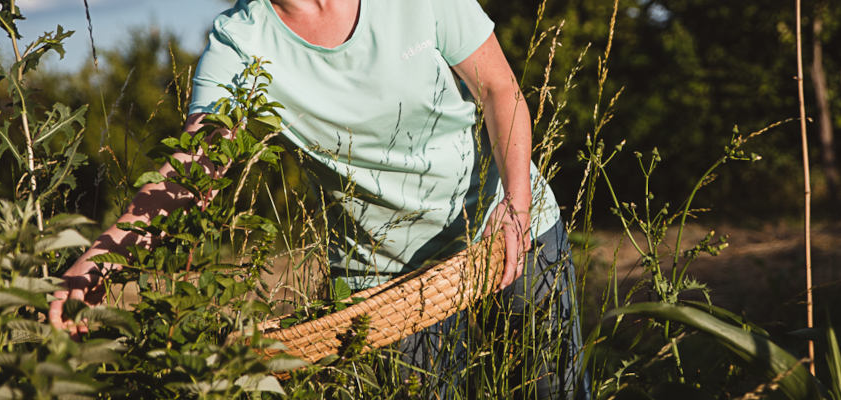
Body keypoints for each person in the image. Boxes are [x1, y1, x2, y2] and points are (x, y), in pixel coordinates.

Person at [50, 0, 588, 397]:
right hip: (387, 284)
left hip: (509, 231)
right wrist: (101, 260)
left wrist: (515, 207)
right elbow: (197, 167)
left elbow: (500, 90)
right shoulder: (242, 40)